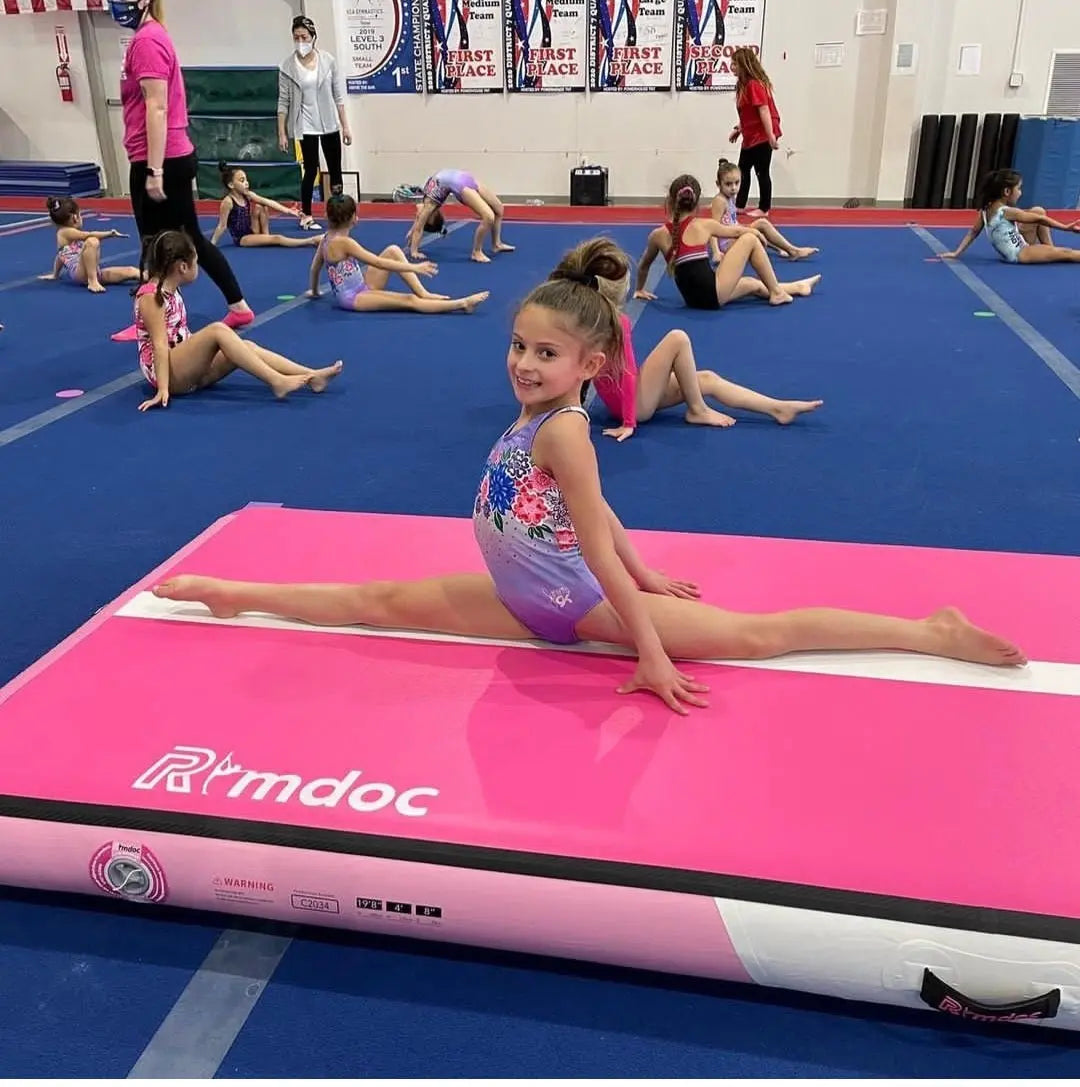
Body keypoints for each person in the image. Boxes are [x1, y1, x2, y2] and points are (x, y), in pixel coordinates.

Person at [154, 237, 1026, 715]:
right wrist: (648, 568)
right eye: (518, 346)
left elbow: (594, 548)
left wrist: (649, 645)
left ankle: (930, 631)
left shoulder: (567, 430)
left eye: (546, 354)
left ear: (590, 365)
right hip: (518, 595)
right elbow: (598, 515)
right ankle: (235, 594)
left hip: (574, 605)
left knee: (758, 636)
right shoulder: (535, 412)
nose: (524, 363)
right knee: (374, 599)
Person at [109, 0, 253, 342]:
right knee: (184, 239)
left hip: (161, 158)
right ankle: (236, 306)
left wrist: (155, 169)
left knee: (156, 242)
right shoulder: (150, 36)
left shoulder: (147, 41)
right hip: (165, 155)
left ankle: (153, 318)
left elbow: (157, 107)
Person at [577, 241, 822, 440]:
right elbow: (628, 373)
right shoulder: (618, 322)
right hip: (633, 405)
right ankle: (697, 410)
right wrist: (629, 422)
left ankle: (778, 408)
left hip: (625, 400)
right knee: (677, 338)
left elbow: (584, 370)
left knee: (706, 379)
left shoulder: (586, 318)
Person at [134, 230, 342, 412]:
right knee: (217, 330)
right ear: (182, 267)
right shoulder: (151, 297)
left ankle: (312, 377)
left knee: (244, 347)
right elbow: (159, 346)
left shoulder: (170, 288)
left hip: (183, 366)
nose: (198, 267)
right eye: (196, 262)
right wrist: (163, 389)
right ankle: (277, 381)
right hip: (168, 375)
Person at [635, 175, 819, 310]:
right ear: (696, 203)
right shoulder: (703, 225)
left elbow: (643, 265)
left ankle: (798, 287)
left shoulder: (657, 235)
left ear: (670, 200)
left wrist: (640, 289)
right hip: (713, 295)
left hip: (692, 301)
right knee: (749, 240)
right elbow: (738, 232)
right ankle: (777, 294)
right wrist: (756, 233)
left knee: (752, 284)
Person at [309, 194, 489, 314]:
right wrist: (414, 267)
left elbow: (315, 268)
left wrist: (315, 291)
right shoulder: (345, 243)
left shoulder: (325, 239)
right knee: (409, 300)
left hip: (361, 285)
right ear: (353, 218)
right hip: (353, 298)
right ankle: (462, 304)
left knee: (393, 250)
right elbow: (378, 263)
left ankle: (424, 293)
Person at [277, 15, 352, 231]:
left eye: (304, 37)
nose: (301, 41)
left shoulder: (328, 61)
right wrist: (282, 132)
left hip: (328, 123)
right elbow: (283, 101)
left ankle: (338, 213)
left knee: (335, 167)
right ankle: (306, 214)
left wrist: (345, 126)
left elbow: (338, 96)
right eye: (296, 37)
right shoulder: (287, 67)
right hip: (305, 125)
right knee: (310, 170)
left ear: (313, 37)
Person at [940, 169, 1080, 264]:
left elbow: (972, 233)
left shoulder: (986, 209)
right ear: (1007, 191)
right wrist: (1066, 227)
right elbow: (1040, 220)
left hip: (1019, 247)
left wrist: (956, 253)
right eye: (1018, 189)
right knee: (1067, 253)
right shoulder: (1007, 212)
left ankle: (1050, 251)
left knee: (1038, 210)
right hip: (1021, 254)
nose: (1020, 193)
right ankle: (1051, 252)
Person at [709, 159, 817, 263]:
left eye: (737, 183)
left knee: (761, 224)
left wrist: (748, 229)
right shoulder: (720, 201)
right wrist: (716, 252)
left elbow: (732, 223)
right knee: (756, 233)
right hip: (728, 244)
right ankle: (792, 251)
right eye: (728, 184)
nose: (733, 188)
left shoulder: (730, 197)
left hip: (735, 235)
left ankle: (789, 249)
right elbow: (712, 228)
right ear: (718, 184)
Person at [406, 169, 514, 263]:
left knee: (499, 209)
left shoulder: (428, 206)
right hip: (461, 187)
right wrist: (414, 251)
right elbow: (419, 227)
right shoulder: (429, 206)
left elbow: (419, 222)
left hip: (468, 180)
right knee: (489, 217)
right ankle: (476, 252)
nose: (418, 215)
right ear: (431, 219)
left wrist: (412, 231)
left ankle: (496, 244)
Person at [38, 197, 140, 292]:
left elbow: (60, 256)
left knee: (131, 271)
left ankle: (146, 276)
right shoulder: (65, 232)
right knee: (92, 241)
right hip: (80, 273)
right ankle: (92, 282)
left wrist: (55, 274)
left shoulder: (65, 236)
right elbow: (89, 235)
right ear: (75, 217)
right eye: (80, 214)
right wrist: (110, 234)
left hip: (94, 272)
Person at [211, 164, 322, 249]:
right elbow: (222, 226)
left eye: (246, 179)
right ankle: (311, 240)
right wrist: (211, 245)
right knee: (277, 238)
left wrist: (289, 211)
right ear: (231, 185)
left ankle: (266, 236)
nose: (246, 183)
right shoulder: (228, 202)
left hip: (251, 229)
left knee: (261, 206)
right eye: (242, 180)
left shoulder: (247, 195)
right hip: (242, 238)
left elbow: (268, 202)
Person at [727, 47, 782, 218]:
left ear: (744, 65)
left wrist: (770, 135)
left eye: (735, 64)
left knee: (761, 171)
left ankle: (764, 208)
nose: (732, 67)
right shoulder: (742, 85)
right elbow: (748, 113)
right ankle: (739, 205)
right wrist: (739, 129)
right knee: (742, 170)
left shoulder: (754, 84)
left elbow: (764, 110)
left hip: (762, 134)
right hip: (751, 134)